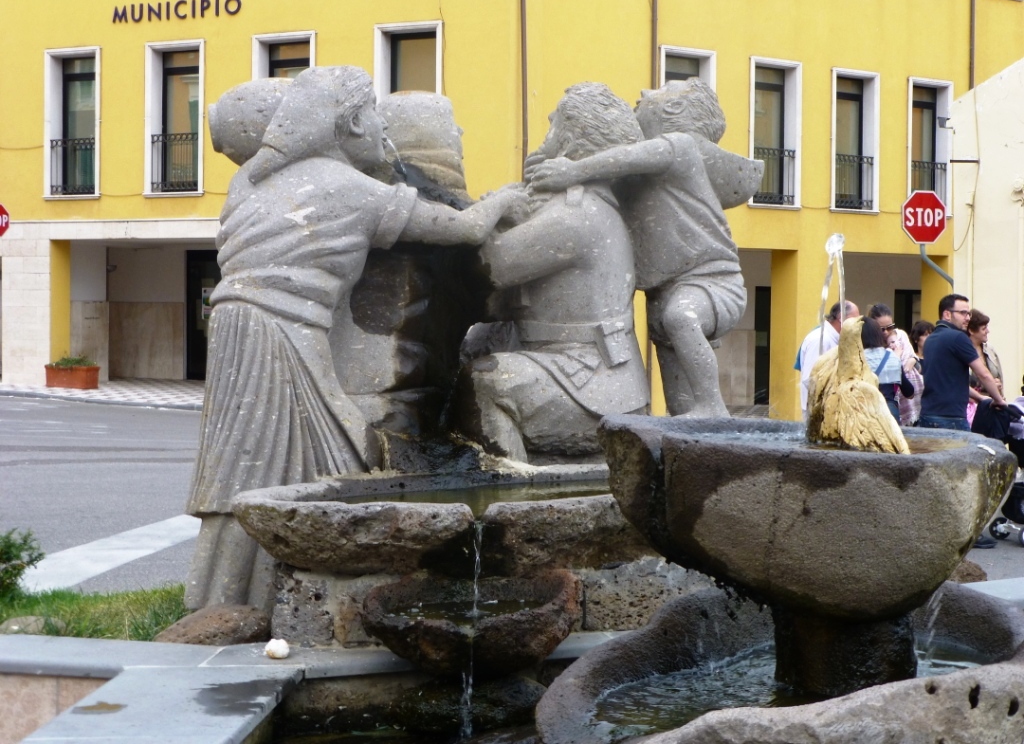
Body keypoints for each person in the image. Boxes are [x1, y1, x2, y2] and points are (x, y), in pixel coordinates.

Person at [187, 67, 526, 611]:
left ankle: (226, 602)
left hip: (234, 325)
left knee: (247, 459)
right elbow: (463, 230)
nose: (380, 129)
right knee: (327, 455)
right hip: (281, 332)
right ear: (345, 124)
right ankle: (278, 603)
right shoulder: (347, 187)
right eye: (371, 116)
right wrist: (507, 200)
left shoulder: (250, 181)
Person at [525, 78, 762, 417]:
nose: (643, 93)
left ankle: (712, 406)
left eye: (661, 89)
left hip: (712, 280)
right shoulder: (639, 174)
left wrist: (572, 171)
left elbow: (626, 157)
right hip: (662, 292)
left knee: (682, 318)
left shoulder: (679, 147)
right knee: (682, 410)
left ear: (674, 108)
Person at [455, 83, 649, 462]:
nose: (546, 131)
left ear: (573, 142)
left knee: (487, 383)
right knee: (471, 345)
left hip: (591, 379)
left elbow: (493, 266)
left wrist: (493, 209)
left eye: (554, 123)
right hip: (562, 364)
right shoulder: (568, 207)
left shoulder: (578, 216)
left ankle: (511, 490)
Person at [919, 294, 1006, 431]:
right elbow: (983, 374)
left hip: (927, 415)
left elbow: (951, 382)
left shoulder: (931, 339)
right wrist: (999, 400)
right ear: (947, 314)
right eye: (963, 313)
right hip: (951, 418)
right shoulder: (958, 337)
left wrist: (981, 398)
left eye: (968, 313)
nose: (968, 318)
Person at [797, 301, 860, 415]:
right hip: (819, 409)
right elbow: (810, 379)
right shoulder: (820, 339)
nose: (857, 325)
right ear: (841, 318)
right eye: (854, 320)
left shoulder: (834, 338)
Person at [867, 303, 920, 427]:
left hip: (886, 407)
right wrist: (895, 358)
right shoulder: (887, 356)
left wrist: (912, 360)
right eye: (881, 329)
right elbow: (909, 391)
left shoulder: (900, 337)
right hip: (882, 408)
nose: (886, 332)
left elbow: (916, 364)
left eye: (890, 327)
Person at [861, 318, 914, 422]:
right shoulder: (892, 358)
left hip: (863, 414)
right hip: (888, 415)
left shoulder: (855, 359)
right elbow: (909, 393)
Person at [967, 308, 1004, 403]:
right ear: (971, 331)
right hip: (970, 407)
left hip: (992, 404)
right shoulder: (962, 351)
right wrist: (990, 385)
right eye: (984, 328)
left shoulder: (990, 350)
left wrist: (999, 389)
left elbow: (999, 377)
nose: (988, 331)